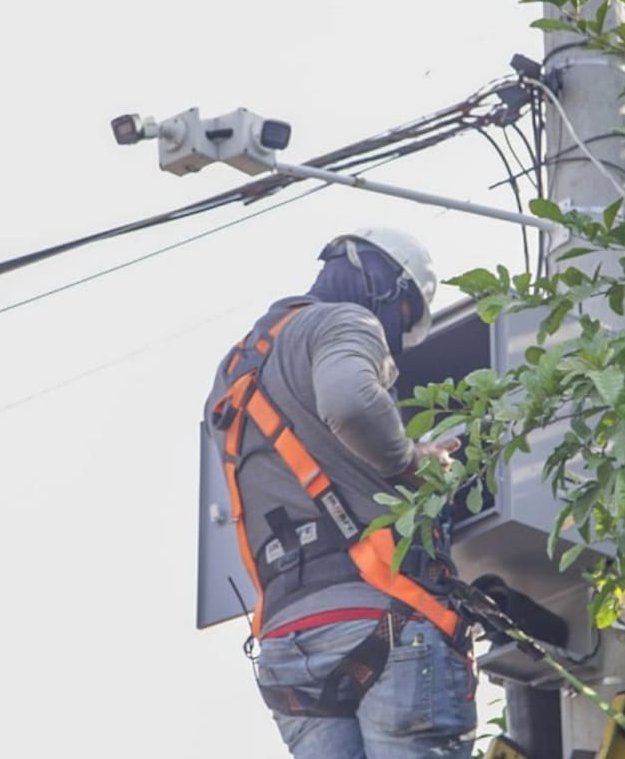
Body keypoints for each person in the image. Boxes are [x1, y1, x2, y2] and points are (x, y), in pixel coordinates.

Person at [203, 227, 476, 759]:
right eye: (402, 317)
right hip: (383, 620)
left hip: (291, 651)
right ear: (385, 286)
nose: (392, 334)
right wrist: (409, 460)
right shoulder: (344, 320)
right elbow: (350, 402)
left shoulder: (234, 374)